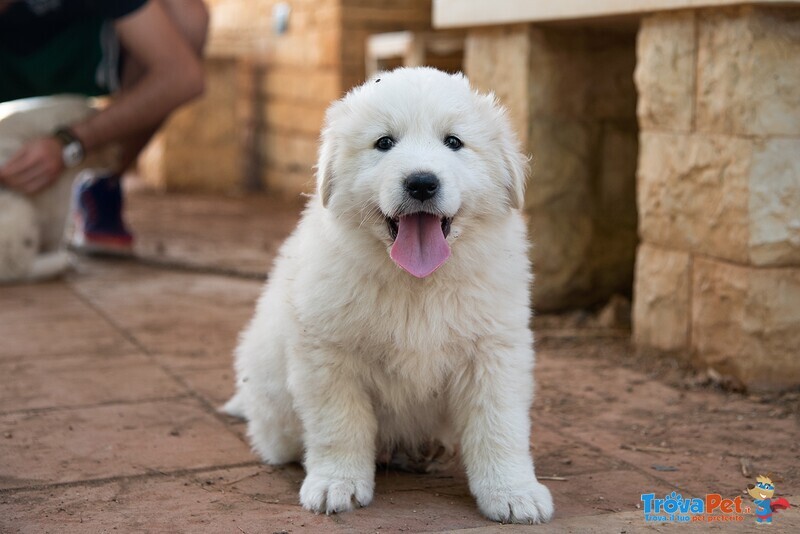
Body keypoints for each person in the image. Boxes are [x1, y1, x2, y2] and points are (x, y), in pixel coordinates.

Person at [0, 0, 208, 254]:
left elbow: (183, 77)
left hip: (84, 44)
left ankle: (102, 181)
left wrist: (70, 143)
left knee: (187, 19)